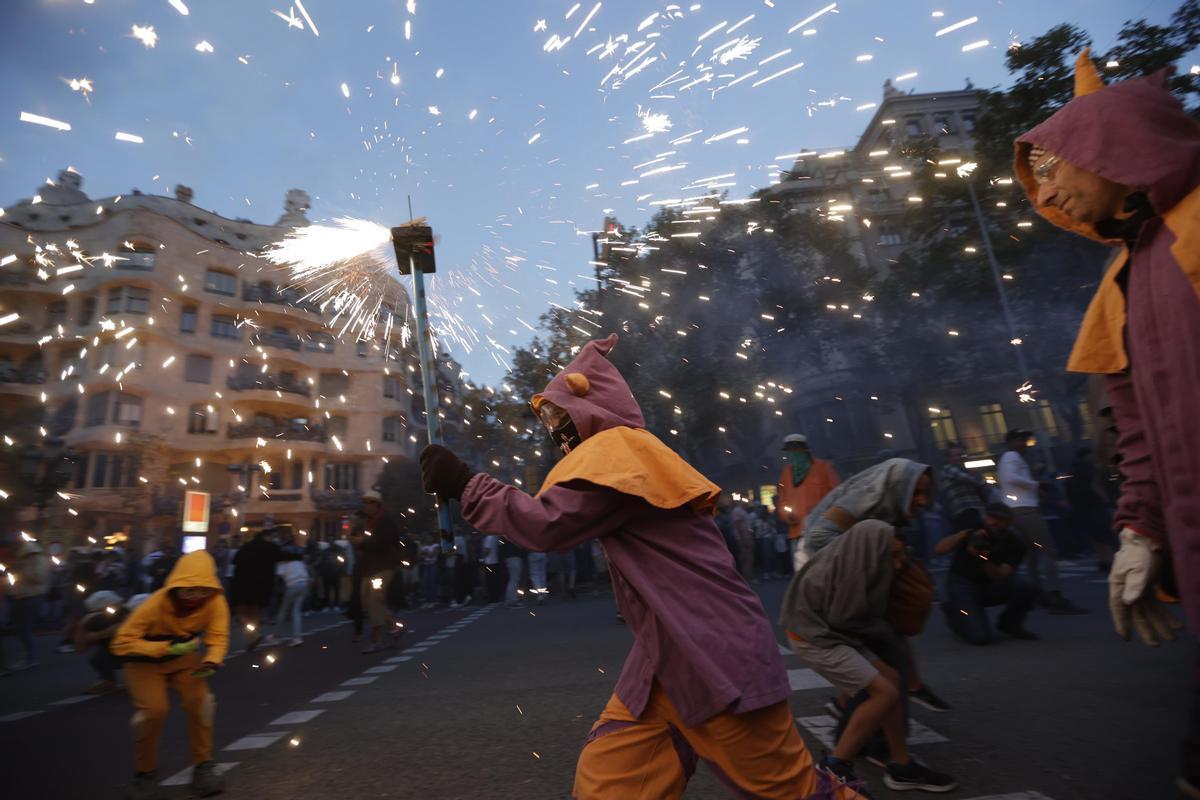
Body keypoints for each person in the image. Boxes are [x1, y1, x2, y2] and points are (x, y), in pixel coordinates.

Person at [420, 334, 854, 800]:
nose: (559, 437)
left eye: (564, 419)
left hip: (713, 652)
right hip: (666, 657)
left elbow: (547, 525)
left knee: (794, 793)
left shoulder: (618, 455)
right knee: (611, 780)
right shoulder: (625, 454)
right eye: (553, 426)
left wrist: (466, 484)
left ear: (593, 407)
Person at [1013, 49, 1198, 793]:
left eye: (1056, 165)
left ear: (1113, 149)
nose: (1045, 189)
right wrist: (1141, 528)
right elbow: (1139, 437)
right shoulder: (1118, 280)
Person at [783, 521, 958, 794]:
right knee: (884, 693)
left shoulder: (855, 557)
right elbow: (847, 618)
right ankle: (834, 770)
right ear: (872, 548)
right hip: (814, 638)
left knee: (892, 680)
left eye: (902, 554)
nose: (898, 564)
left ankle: (901, 765)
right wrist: (888, 629)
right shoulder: (853, 570)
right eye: (893, 555)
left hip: (831, 632)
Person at [801, 458, 951, 714]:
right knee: (861, 635)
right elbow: (819, 537)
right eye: (916, 493)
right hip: (817, 560)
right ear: (899, 486)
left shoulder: (891, 500)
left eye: (925, 493)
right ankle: (856, 708)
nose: (923, 501)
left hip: (852, 566)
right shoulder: (865, 498)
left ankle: (899, 690)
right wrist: (867, 561)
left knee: (886, 631)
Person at [110, 550, 228, 799]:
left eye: (203, 589)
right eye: (190, 589)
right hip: (143, 662)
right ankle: (145, 776)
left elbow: (218, 637)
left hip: (184, 659)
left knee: (202, 703)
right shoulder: (155, 604)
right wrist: (163, 648)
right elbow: (120, 643)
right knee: (153, 712)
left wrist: (212, 660)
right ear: (177, 584)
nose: (196, 596)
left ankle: (203, 768)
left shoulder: (216, 601)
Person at [997, 429, 1087, 614]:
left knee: (1032, 554)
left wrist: (1036, 488)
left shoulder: (1011, 457)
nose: (1024, 443)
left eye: (1025, 439)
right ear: (1011, 442)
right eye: (1021, 439)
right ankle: (1054, 596)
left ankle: (1037, 594)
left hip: (1017, 509)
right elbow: (1011, 478)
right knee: (1047, 550)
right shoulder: (1011, 456)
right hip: (1024, 510)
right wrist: (1036, 484)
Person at [935, 504, 1039, 645]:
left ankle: (1010, 624)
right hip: (963, 585)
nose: (994, 522)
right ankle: (954, 613)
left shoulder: (1015, 544)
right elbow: (939, 549)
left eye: (1001, 519)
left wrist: (982, 558)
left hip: (991, 585)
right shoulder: (973, 528)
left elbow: (1001, 576)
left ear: (1009, 522)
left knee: (1027, 586)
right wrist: (964, 535)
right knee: (980, 638)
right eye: (992, 517)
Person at [352, 489, 407, 653]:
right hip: (371, 568)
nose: (365, 506)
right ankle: (395, 626)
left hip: (383, 567)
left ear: (376, 504)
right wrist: (359, 541)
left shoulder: (385, 521)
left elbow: (381, 543)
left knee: (375, 599)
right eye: (364, 502)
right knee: (366, 600)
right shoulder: (370, 522)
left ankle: (378, 639)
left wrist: (362, 541)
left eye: (367, 502)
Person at [776, 433, 840, 572]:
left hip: (821, 531)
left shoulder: (823, 467)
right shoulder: (786, 473)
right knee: (802, 575)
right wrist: (788, 516)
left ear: (804, 450)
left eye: (796, 450)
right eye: (790, 451)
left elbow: (837, 495)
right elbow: (782, 502)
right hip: (797, 532)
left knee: (827, 571)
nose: (793, 454)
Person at [229, 527, 300, 650]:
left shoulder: (246, 547)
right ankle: (254, 635)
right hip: (260, 585)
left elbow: (234, 561)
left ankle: (252, 636)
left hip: (241, 583)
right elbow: (283, 555)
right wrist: (299, 556)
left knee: (240, 612)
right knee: (255, 612)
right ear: (266, 537)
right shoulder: (269, 547)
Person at [1066, 447, 1118, 572]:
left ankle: (1102, 561)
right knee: (1107, 534)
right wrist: (1107, 501)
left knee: (1096, 536)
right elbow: (1095, 485)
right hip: (1095, 506)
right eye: (1091, 454)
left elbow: (1069, 490)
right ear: (1086, 456)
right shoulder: (1091, 468)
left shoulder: (1072, 470)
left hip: (1081, 509)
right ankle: (1110, 561)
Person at [76, 589, 130, 693]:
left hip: (136, 652)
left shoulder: (124, 611)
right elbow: (80, 649)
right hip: (115, 653)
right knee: (96, 655)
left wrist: (98, 635)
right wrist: (81, 626)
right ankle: (108, 680)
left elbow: (122, 628)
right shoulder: (93, 621)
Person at [8, 539, 50, 670]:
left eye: (15, 545)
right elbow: (16, 580)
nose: (13, 548)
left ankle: (30, 658)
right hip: (20, 597)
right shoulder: (21, 561)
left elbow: (39, 578)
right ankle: (28, 655)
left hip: (32, 597)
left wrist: (24, 568)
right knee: (20, 630)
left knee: (24, 629)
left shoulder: (39, 560)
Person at [936, 443, 990, 531]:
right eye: (956, 455)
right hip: (963, 510)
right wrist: (981, 482)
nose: (960, 457)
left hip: (975, 509)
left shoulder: (964, 470)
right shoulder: (948, 468)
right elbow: (967, 479)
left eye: (962, 455)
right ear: (949, 458)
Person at [274, 555, 310, 647]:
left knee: (283, 610)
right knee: (296, 611)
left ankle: (276, 636)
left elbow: (278, 577)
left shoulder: (281, 563)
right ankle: (297, 638)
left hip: (292, 585)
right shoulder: (298, 561)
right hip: (304, 584)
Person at [730, 500, 755, 582]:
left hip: (746, 536)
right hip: (744, 537)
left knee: (747, 557)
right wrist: (741, 539)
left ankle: (747, 576)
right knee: (746, 557)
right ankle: (747, 577)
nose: (747, 503)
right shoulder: (738, 511)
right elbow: (737, 525)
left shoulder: (742, 511)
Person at [500, 536, 526, 607]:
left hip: (510, 556)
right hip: (515, 555)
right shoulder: (513, 535)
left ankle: (510, 599)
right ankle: (513, 600)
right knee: (515, 579)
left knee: (513, 579)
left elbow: (503, 545)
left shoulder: (507, 535)